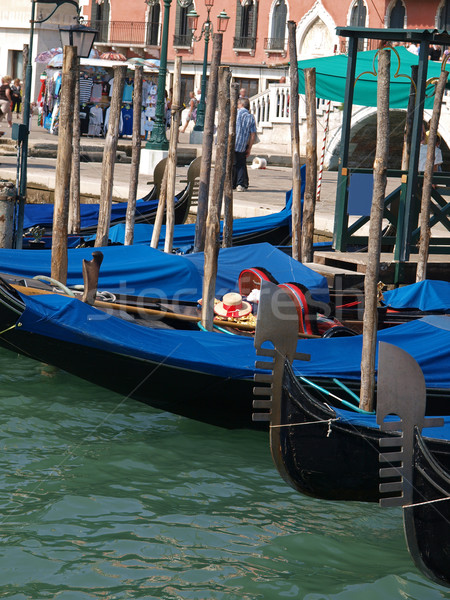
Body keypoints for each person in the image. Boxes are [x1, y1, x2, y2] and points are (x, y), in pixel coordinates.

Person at [233, 97, 256, 192]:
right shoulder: (250, 117)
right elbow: (253, 135)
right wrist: (249, 148)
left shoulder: (235, 114)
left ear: (241, 105)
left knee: (233, 164)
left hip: (232, 142)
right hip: (242, 144)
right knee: (241, 164)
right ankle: (240, 184)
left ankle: (232, 183)